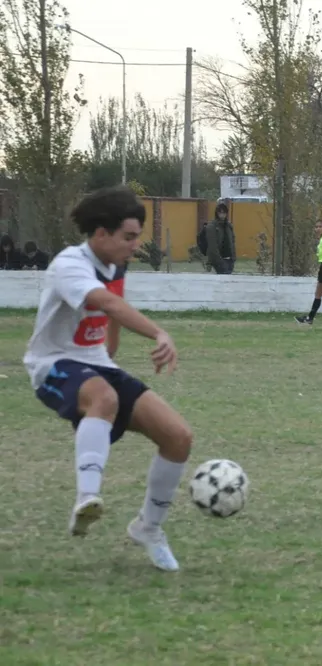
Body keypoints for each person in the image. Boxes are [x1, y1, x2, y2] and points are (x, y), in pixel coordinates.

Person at [22, 185, 193, 572]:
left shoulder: (116, 265)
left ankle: (148, 528)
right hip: (53, 364)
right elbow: (109, 303)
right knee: (103, 398)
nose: (135, 245)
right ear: (101, 234)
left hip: (97, 365)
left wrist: (109, 359)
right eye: (129, 237)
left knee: (178, 437)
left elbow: (112, 316)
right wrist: (159, 334)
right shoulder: (71, 264)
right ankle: (88, 498)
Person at [204, 203, 236, 275]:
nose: (222, 214)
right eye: (220, 212)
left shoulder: (229, 226)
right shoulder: (212, 226)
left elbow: (232, 241)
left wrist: (233, 258)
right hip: (217, 261)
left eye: (224, 212)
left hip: (229, 260)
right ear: (217, 213)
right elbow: (212, 246)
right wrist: (219, 261)